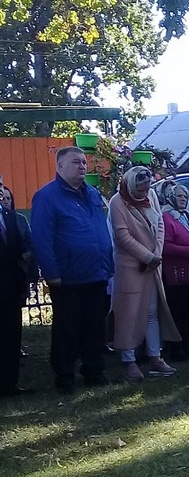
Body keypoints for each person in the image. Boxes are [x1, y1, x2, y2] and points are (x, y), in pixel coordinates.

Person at [31, 146, 114, 393]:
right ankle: (65, 375)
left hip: (96, 272)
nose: (82, 166)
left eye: (83, 162)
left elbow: (100, 230)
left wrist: (107, 264)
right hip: (68, 276)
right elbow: (42, 238)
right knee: (67, 328)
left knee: (94, 325)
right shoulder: (47, 196)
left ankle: (94, 371)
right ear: (60, 166)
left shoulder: (92, 193)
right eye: (76, 162)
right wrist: (52, 272)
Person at [108, 167, 179, 381]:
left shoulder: (152, 196)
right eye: (139, 189)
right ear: (130, 186)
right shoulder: (117, 202)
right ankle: (129, 360)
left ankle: (155, 357)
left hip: (153, 263)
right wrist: (146, 256)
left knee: (152, 311)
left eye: (146, 189)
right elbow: (122, 236)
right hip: (130, 265)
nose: (144, 193)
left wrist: (156, 254)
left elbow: (160, 225)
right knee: (128, 312)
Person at [160, 183, 189, 359]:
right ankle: (176, 349)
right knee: (177, 313)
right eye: (179, 196)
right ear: (170, 197)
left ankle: (187, 346)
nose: (183, 199)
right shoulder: (166, 217)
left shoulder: (188, 216)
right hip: (175, 276)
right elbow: (165, 245)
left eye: (185, 196)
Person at [0, 183, 37, 396]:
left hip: (11, 288)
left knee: (11, 337)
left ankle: (9, 384)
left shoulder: (10, 216)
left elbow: (22, 249)